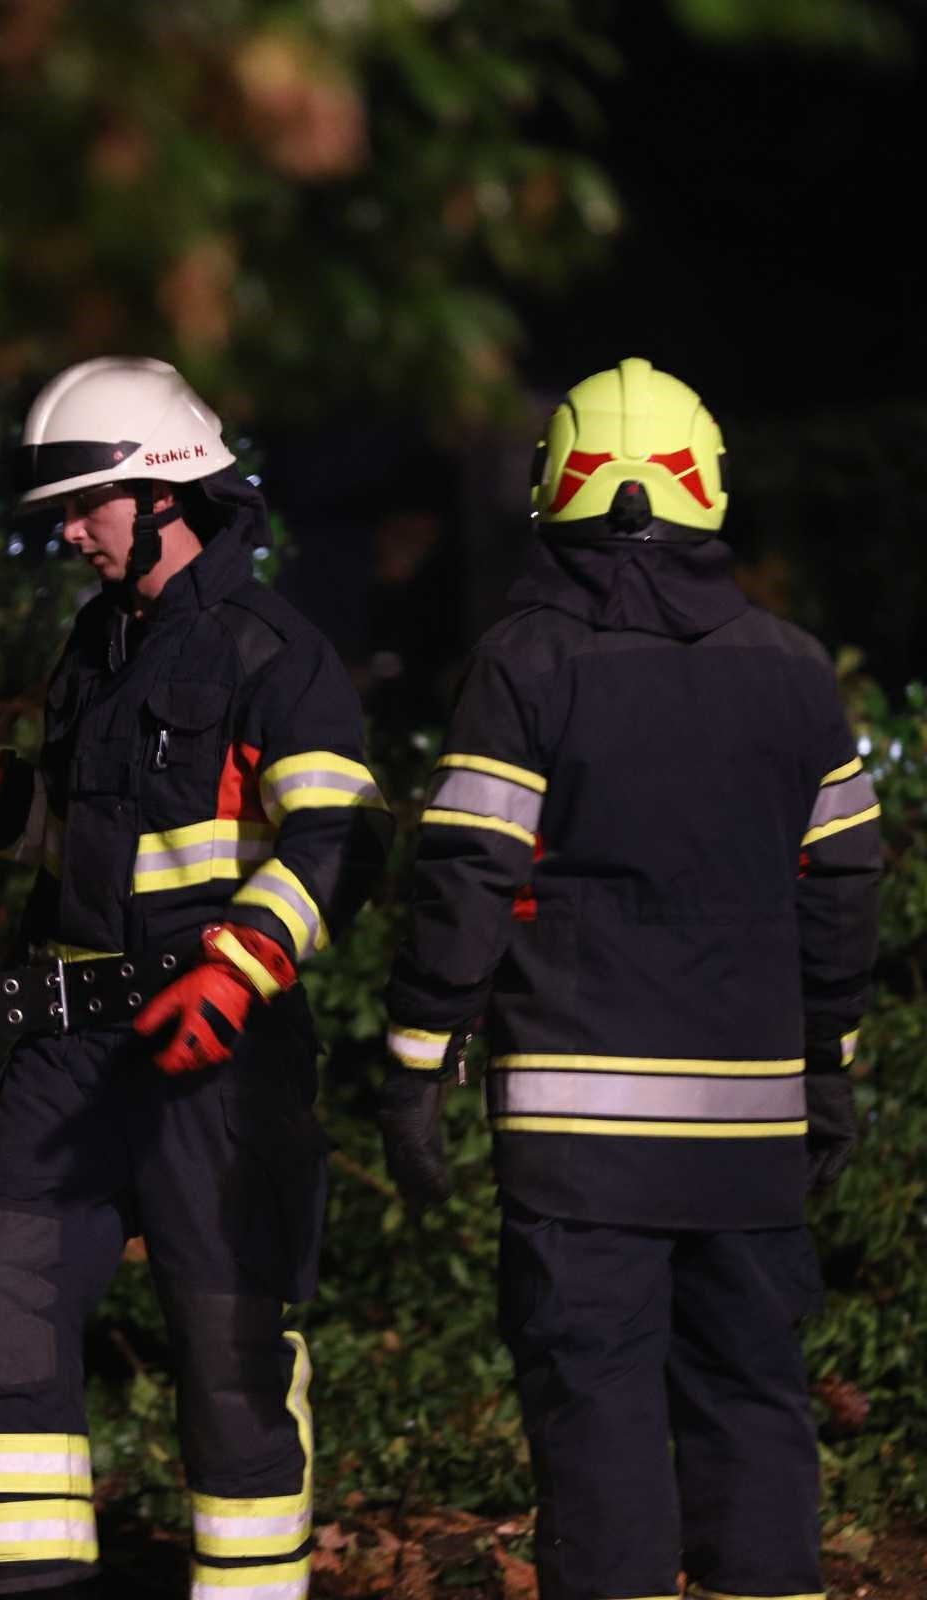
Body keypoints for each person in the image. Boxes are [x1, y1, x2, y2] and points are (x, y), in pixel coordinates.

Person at [0, 356, 392, 1600]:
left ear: (163, 495)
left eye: (88, 504)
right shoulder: (98, 645)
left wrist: (241, 967)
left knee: (229, 1346)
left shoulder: (275, 653)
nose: (73, 534)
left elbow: (340, 840)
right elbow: (89, 839)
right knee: (8, 1301)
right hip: (68, 1039)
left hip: (217, 1051)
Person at [378, 357, 882, 1600]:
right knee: (755, 1403)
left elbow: (466, 880)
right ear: (706, 493)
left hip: (577, 1145)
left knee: (597, 1409)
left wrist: (412, 1061)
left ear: (562, 495)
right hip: (749, 1141)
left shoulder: (525, 664)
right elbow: (847, 887)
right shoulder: (795, 671)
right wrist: (828, 1067)